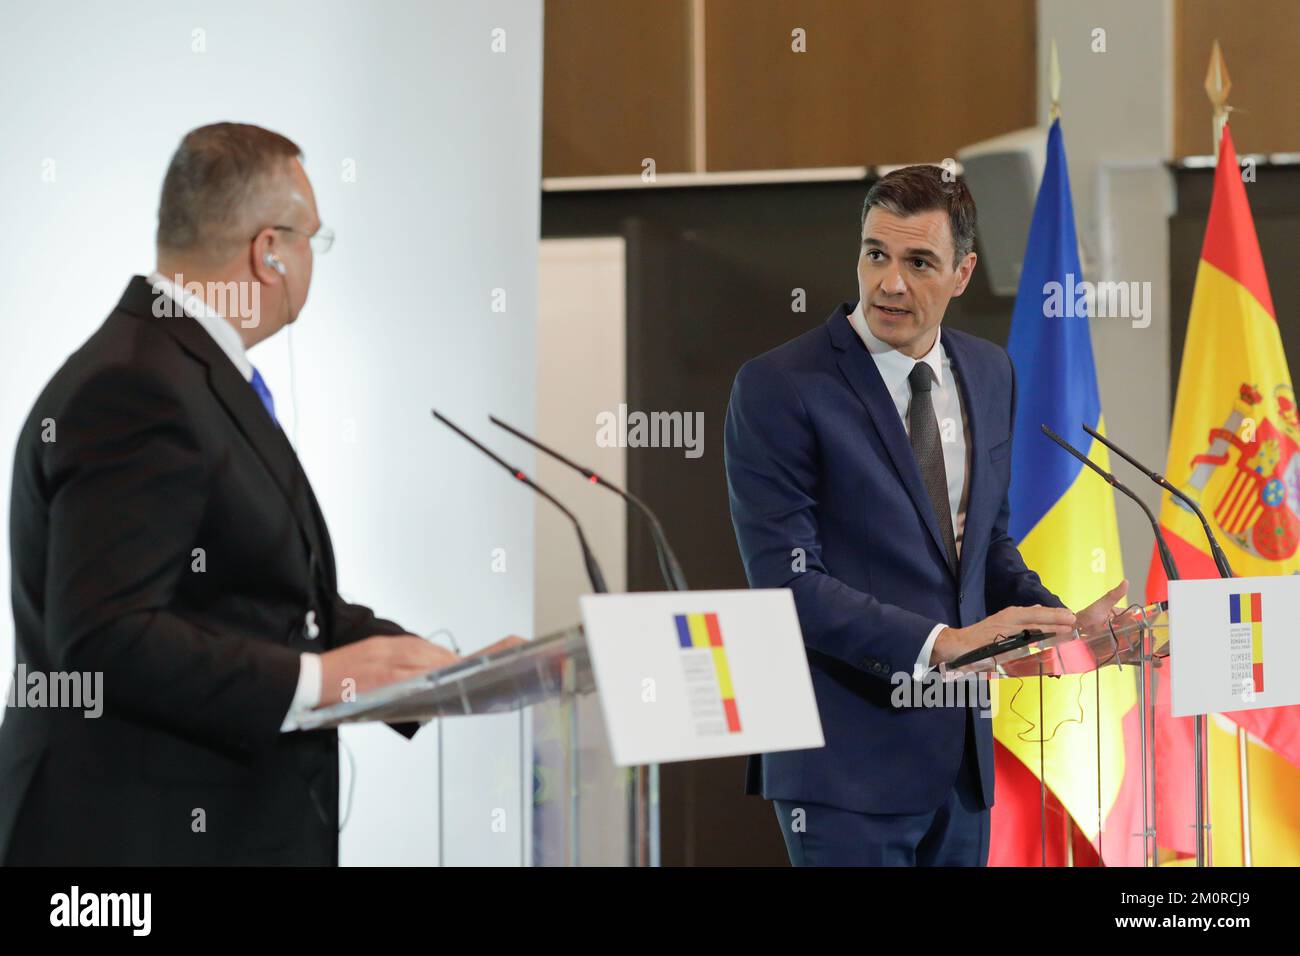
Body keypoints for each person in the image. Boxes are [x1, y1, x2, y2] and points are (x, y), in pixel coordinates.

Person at [0, 122, 515, 865]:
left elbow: (256, 601)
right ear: (268, 250)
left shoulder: (183, 369)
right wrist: (320, 680)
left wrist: (428, 673)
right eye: (313, 239)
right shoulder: (138, 385)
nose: (312, 259)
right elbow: (105, 636)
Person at [724, 164, 1126, 866]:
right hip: (841, 768)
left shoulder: (989, 371)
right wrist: (945, 644)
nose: (889, 283)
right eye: (875, 254)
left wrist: (1059, 624)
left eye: (919, 262)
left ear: (964, 272)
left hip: (960, 771)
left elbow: (984, 548)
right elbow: (787, 586)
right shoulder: (780, 387)